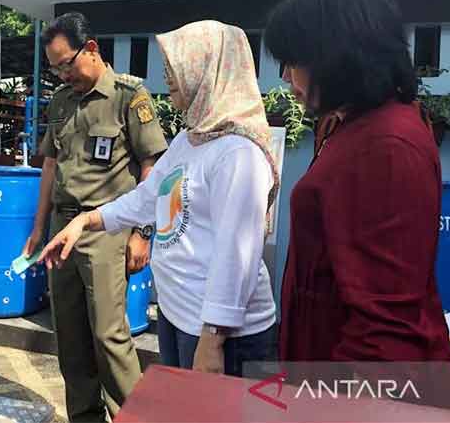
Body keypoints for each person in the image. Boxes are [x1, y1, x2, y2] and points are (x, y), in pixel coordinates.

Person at [39, 20, 280, 378]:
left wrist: (213, 339)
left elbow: (237, 255)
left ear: (206, 72)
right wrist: (85, 221)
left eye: (175, 69)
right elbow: (146, 197)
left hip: (221, 334)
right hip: (180, 314)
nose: (166, 78)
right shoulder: (190, 140)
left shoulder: (238, 154)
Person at [264, 0, 450, 402]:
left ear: (334, 58)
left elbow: (385, 331)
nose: (287, 78)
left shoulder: (386, 146)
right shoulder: (351, 126)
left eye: (293, 62)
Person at [22, 12, 168, 422]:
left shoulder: (128, 95)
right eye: (53, 67)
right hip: (60, 230)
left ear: (91, 49)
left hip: (107, 229)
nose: (61, 74)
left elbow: (151, 166)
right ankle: (84, 415)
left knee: (109, 334)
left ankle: (135, 415)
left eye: (66, 64)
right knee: (69, 335)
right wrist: (37, 227)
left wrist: (142, 233)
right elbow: (50, 163)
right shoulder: (61, 101)